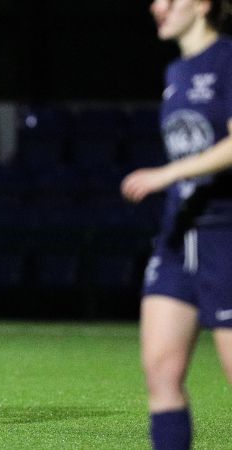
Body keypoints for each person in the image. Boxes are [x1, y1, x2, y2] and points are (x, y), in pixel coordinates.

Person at [120, 1, 232, 449]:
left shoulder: (227, 59)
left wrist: (167, 174)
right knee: (161, 372)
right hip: (177, 236)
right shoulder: (176, 74)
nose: (156, 6)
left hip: (225, 235)